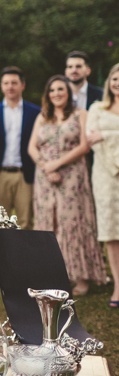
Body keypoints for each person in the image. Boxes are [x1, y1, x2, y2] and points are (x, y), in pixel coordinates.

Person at [28, 75, 106, 296]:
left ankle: (81, 275)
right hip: (45, 179)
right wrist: (46, 166)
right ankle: (52, 274)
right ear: (48, 94)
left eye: (61, 89)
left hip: (72, 176)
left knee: (72, 223)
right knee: (47, 223)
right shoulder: (43, 116)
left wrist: (57, 164)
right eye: (52, 90)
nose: (56, 93)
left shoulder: (81, 114)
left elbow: (84, 146)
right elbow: (32, 148)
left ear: (68, 92)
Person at [0, 67, 41, 230]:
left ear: (22, 85)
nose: (10, 87)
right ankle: (3, 256)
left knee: (26, 222)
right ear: (1, 86)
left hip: (26, 174)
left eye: (14, 83)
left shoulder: (35, 112)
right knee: (1, 224)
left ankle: (26, 256)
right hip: (0, 174)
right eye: (6, 83)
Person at [86, 63, 119, 307]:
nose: (118, 83)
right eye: (115, 78)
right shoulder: (97, 108)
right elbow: (90, 139)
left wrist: (108, 135)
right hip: (105, 175)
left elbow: (101, 136)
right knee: (111, 232)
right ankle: (118, 285)